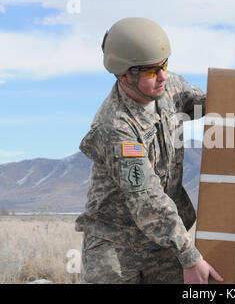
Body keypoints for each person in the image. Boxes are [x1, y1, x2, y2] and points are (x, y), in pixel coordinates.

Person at [75, 17, 223, 284]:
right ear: (123, 75)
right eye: (150, 71)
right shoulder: (115, 125)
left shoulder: (170, 88)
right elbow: (147, 199)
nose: (163, 76)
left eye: (164, 65)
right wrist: (189, 255)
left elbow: (209, 104)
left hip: (161, 240)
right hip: (116, 246)